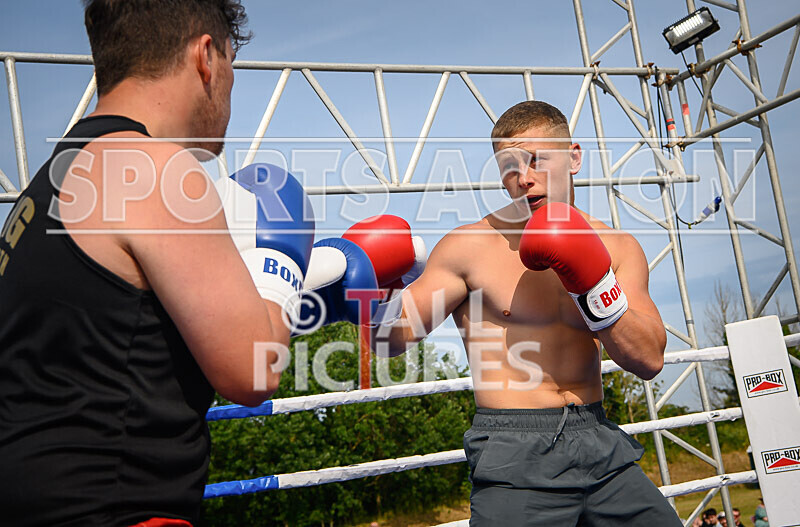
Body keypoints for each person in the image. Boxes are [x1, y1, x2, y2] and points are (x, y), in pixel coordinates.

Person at [0, 1, 303, 525]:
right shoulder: (156, 170)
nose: (231, 88)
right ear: (206, 57)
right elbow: (254, 371)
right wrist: (284, 261)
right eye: (232, 63)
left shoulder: (49, 184)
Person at [370, 100, 678, 525]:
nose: (524, 180)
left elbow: (649, 359)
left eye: (536, 160)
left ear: (573, 157)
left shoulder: (619, 246)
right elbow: (389, 341)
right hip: (514, 451)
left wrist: (591, 283)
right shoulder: (469, 247)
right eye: (510, 168)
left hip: (600, 446)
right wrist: (365, 290)